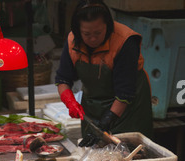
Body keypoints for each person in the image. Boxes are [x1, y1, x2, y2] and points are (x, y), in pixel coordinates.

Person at [56, 0, 153, 145]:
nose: (93, 38)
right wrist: (69, 101)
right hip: (92, 107)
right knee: (95, 156)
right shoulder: (72, 40)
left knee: (128, 154)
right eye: (87, 34)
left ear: (108, 26)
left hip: (128, 110)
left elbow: (124, 93)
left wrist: (107, 121)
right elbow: (63, 79)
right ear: (78, 30)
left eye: (98, 32)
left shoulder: (125, 41)